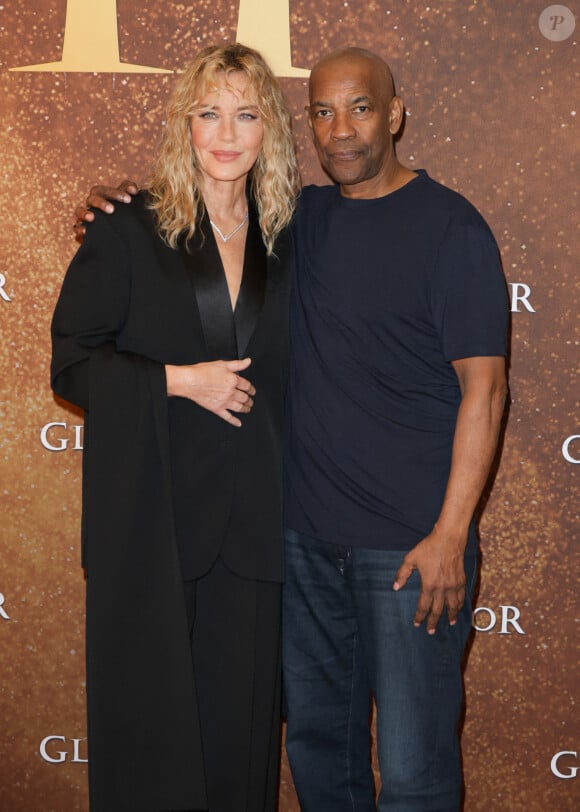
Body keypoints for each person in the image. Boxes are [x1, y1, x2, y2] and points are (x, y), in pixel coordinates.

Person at [75, 46, 509, 812]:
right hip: (296, 545)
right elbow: (95, 341)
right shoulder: (296, 220)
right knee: (317, 754)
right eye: (323, 111)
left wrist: (451, 533)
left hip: (399, 547)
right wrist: (109, 204)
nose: (341, 130)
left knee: (412, 772)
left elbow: (487, 386)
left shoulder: (427, 228)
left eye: (362, 108)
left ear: (396, 115)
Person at [52, 43, 299, 812]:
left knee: (240, 743)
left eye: (247, 113)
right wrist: (179, 382)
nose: (227, 133)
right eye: (208, 113)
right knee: (149, 740)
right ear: (183, 124)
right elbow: (72, 366)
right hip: (150, 527)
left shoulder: (294, 236)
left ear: (271, 130)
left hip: (257, 531)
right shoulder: (127, 227)